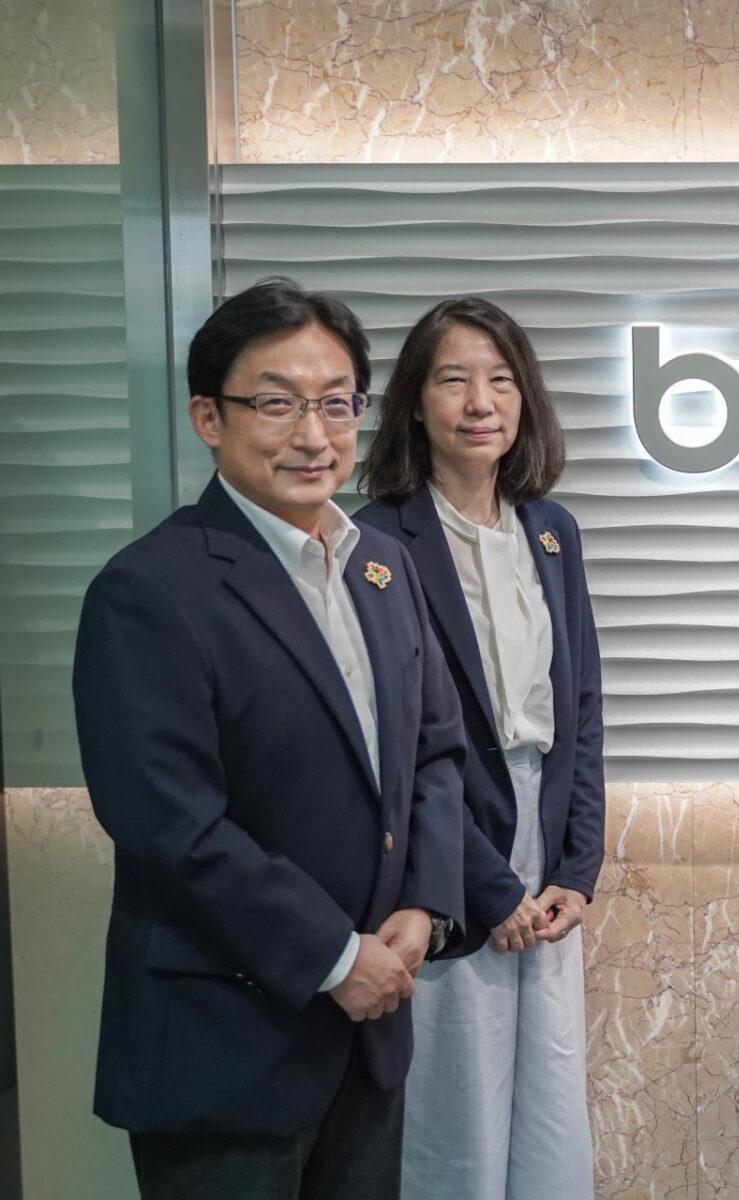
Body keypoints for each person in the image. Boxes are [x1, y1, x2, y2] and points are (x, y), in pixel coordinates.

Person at [72, 277, 466, 1199]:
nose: (313, 435)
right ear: (209, 418)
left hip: (367, 1041)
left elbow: (435, 753)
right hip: (223, 1049)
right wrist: (334, 955)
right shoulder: (150, 590)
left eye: (336, 403)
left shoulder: (382, 565)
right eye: (277, 403)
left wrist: (427, 904)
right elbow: (170, 823)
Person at [355, 296, 604, 1199]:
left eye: (500, 379)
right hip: (446, 844)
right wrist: (488, 888)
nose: (480, 402)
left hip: (545, 841)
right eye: (453, 380)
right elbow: (396, 748)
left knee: (549, 1102)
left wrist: (577, 867)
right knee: (457, 1109)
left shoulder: (551, 530)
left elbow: (581, 708)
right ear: (415, 404)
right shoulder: (377, 540)